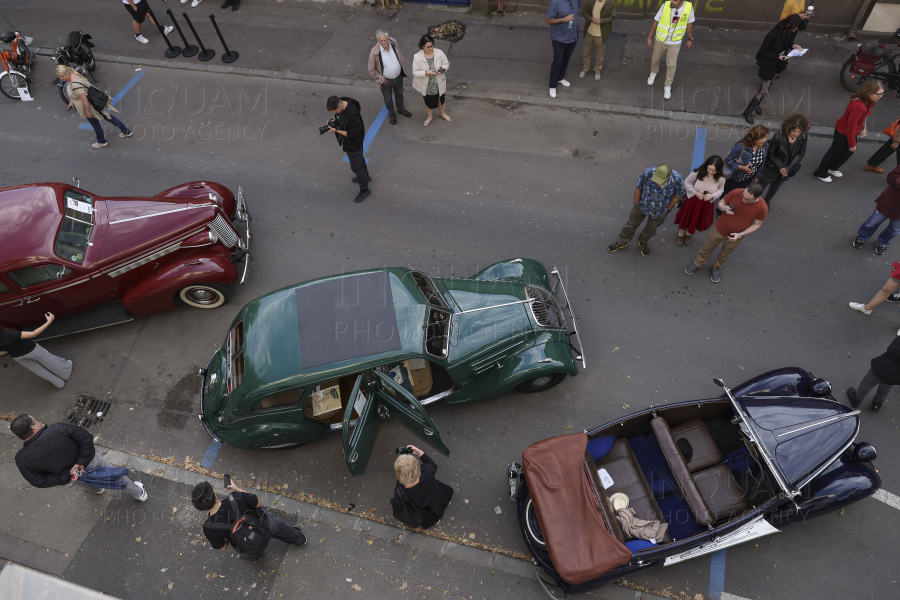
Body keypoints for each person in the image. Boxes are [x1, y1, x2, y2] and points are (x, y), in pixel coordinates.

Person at [11, 414, 147, 500]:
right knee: (116, 476)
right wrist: (81, 461)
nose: (39, 420)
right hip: (92, 460)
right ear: (34, 427)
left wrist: (69, 475)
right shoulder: (58, 428)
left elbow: (39, 481)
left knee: (89, 483)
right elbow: (86, 438)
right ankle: (139, 493)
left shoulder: (21, 459)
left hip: (76, 476)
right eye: (36, 420)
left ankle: (98, 489)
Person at [192, 481, 306, 557]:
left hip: (245, 542)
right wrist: (236, 488)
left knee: (250, 549)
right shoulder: (235, 497)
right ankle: (299, 539)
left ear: (200, 508)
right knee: (280, 528)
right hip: (263, 522)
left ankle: (256, 555)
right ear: (215, 495)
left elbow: (223, 547)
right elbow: (258, 502)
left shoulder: (209, 528)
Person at [684, 182, 768, 283]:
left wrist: (740, 234)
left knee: (725, 254)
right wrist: (724, 208)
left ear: (756, 198)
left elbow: (757, 224)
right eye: (743, 195)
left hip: (736, 236)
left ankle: (716, 267)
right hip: (719, 228)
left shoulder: (762, 207)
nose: (743, 199)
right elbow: (721, 204)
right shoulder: (736, 192)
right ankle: (698, 263)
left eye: (747, 199)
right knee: (707, 248)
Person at [608, 163, 685, 257]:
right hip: (642, 205)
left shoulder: (677, 178)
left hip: (661, 210)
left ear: (669, 175)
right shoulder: (647, 173)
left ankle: (643, 241)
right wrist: (636, 204)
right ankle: (622, 241)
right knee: (630, 225)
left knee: (651, 229)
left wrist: (668, 209)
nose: (659, 184)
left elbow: (678, 195)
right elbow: (638, 188)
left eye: (661, 181)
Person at [814, 81, 884, 183]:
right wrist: (852, 144)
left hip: (847, 131)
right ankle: (820, 172)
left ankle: (832, 168)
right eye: (878, 94)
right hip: (844, 132)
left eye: (882, 93)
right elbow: (850, 127)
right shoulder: (859, 106)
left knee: (844, 152)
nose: (880, 96)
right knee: (835, 153)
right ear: (869, 92)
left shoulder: (864, 100)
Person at [743, 14, 806, 124]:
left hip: (778, 63)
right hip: (768, 64)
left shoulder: (785, 30)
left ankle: (756, 105)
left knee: (768, 88)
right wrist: (777, 56)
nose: (794, 29)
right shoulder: (772, 34)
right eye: (794, 27)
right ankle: (748, 111)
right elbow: (763, 52)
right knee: (764, 90)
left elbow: (786, 42)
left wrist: (793, 45)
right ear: (789, 24)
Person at [58, 65, 132, 150]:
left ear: (67, 73)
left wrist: (87, 112)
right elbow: (76, 93)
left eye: (62, 76)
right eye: (59, 76)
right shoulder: (74, 75)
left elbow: (84, 100)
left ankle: (101, 141)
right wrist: (72, 101)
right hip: (95, 102)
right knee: (108, 117)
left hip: (90, 106)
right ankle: (126, 131)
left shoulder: (75, 85)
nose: (60, 78)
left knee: (96, 124)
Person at [1, 313, 71, 389]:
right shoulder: (7, 334)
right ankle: (66, 372)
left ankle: (59, 383)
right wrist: (49, 321)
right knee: (49, 360)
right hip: (30, 349)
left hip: (16, 356)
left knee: (39, 370)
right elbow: (33, 334)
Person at [390, 445, 453, 530]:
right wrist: (419, 452)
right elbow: (432, 465)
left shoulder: (400, 487)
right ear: (418, 467)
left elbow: (398, 504)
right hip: (434, 494)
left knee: (427, 515)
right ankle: (447, 502)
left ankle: (435, 520)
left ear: (399, 474)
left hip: (420, 505)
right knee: (441, 498)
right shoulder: (427, 472)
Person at [756, 114, 809, 206]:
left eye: (799, 131)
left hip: (787, 169)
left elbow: (801, 153)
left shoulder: (803, 136)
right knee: (761, 187)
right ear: (788, 128)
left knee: (775, 187)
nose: (797, 134)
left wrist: (788, 168)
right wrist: (781, 167)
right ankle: (753, 201)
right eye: (794, 131)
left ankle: (766, 202)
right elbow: (770, 154)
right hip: (772, 168)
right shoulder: (778, 137)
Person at [646, 0, 694, 101]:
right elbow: (656, 21)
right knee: (655, 59)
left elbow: (689, 24)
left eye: (675, 0)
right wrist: (650, 37)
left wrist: (690, 39)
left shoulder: (689, 7)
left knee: (671, 65)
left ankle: (667, 86)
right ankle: (653, 72)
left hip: (675, 42)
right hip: (660, 39)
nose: (672, 1)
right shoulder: (665, 5)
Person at [326, 95, 370, 204]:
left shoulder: (353, 116)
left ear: (340, 105)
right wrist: (334, 121)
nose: (335, 113)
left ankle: (365, 190)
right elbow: (341, 118)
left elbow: (353, 134)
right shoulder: (343, 102)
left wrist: (336, 131)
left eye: (335, 111)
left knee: (356, 167)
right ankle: (367, 176)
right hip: (352, 143)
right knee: (360, 158)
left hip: (353, 143)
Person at [673, 155, 725, 246]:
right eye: (709, 169)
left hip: (706, 203)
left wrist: (712, 195)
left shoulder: (721, 178)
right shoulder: (698, 172)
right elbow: (687, 182)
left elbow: (721, 190)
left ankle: (689, 233)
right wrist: (695, 193)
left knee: (696, 219)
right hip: (693, 200)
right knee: (687, 217)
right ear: (706, 166)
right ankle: (680, 233)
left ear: (719, 170)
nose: (711, 172)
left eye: (714, 170)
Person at [852, 164, 900, 256]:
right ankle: (862, 236)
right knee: (872, 223)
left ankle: (883, 242)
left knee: (894, 229)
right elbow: (890, 177)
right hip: (890, 202)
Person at [368, 30, 412, 126]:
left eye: (385, 40)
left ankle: (401, 109)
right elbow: (371, 70)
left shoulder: (393, 42)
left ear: (388, 39)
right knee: (388, 99)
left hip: (398, 77)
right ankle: (392, 114)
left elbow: (399, 55)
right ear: (378, 41)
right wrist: (381, 78)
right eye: (381, 41)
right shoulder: (374, 52)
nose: (384, 42)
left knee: (400, 95)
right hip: (386, 81)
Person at [846, 337, 900, 412]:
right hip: (895, 376)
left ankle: (856, 400)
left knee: (867, 383)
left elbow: (892, 350)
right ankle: (876, 405)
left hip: (882, 368)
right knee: (885, 388)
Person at [412, 35, 451, 127]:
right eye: (428, 46)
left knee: (441, 99)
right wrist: (426, 73)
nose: (431, 48)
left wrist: (443, 69)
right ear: (423, 46)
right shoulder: (417, 57)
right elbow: (415, 72)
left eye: (432, 45)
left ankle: (442, 113)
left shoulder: (439, 52)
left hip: (438, 83)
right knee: (428, 102)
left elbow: (446, 63)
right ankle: (430, 116)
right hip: (427, 85)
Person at [546, 0, 579, 98]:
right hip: (559, 39)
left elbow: (576, 12)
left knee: (566, 59)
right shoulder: (555, 2)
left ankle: (560, 78)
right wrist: (563, 19)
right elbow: (548, 20)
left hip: (573, 37)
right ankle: (552, 85)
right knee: (558, 61)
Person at [723, 125, 769, 195]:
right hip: (736, 178)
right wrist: (742, 167)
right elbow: (728, 160)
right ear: (754, 137)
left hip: (749, 179)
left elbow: (763, 164)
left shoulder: (764, 147)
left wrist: (757, 177)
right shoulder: (741, 147)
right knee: (728, 195)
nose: (764, 140)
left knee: (740, 196)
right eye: (761, 138)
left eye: (765, 137)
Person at [579, 0, 616, 81]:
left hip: (601, 35)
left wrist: (601, 21)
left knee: (599, 55)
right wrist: (591, 19)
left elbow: (612, 17)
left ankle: (597, 70)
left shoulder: (611, 2)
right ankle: (586, 68)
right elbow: (584, 11)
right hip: (589, 32)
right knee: (586, 53)